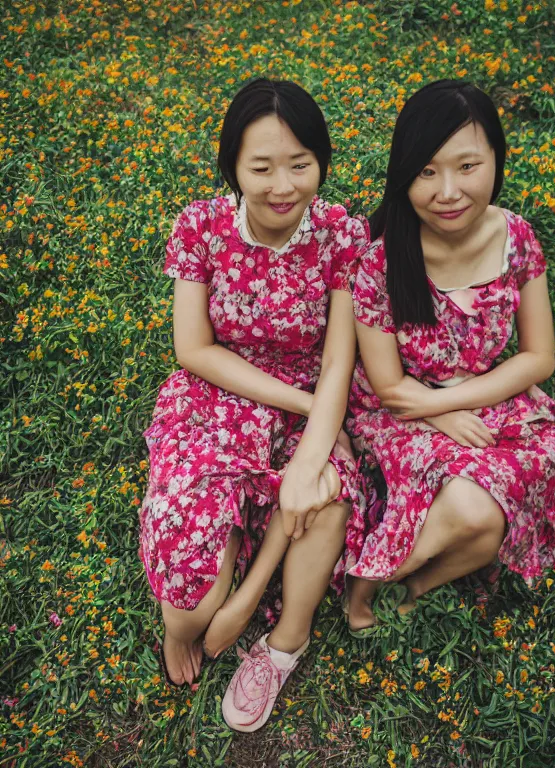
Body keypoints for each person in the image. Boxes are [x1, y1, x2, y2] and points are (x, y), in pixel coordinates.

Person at [138, 78, 368, 730]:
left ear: (320, 160)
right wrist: (301, 405)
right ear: (233, 167)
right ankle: (207, 589)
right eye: (261, 167)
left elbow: (337, 361)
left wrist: (317, 440)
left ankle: (281, 642)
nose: (283, 186)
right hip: (215, 395)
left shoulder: (341, 237)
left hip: (312, 395)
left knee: (323, 496)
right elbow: (195, 349)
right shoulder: (201, 227)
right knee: (187, 608)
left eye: (300, 164)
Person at [343, 79, 555, 634]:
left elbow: (538, 357)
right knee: (476, 515)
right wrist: (437, 411)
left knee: (493, 517)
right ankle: (364, 585)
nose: (447, 191)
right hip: (392, 411)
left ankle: (414, 585)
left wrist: (454, 399)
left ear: (497, 158)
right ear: (405, 176)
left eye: (467, 166)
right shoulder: (381, 259)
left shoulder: (516, 238)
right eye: (426, 172)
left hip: (476, 399)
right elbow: (391, 388)